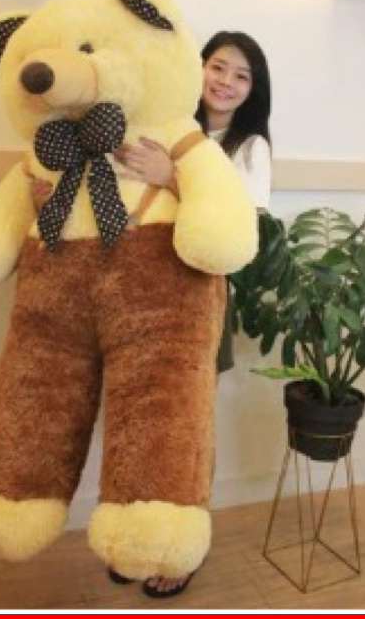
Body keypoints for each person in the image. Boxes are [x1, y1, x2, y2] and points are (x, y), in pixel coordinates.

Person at [112, 30, 273, 598]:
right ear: (197, 66)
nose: (226, 82)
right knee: (137, 419)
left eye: (242, 75)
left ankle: (183, 550)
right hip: (140, 289)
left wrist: (171, 176)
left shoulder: (250, 148)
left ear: (254, 89)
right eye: (218, 66)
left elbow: (241, 224)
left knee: (188, 425)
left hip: (201, 297)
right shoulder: (166, 123)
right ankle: (139, 538)